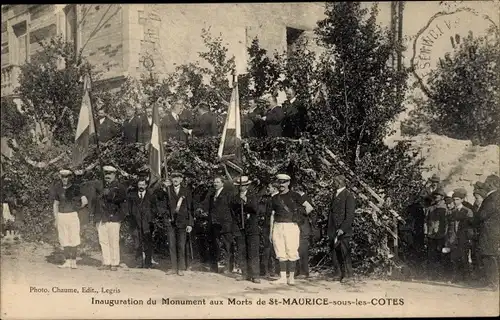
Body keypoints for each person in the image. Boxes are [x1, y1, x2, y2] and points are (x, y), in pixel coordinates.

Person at [269, 173, 304, 285]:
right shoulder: (274, 198)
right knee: (280, 251)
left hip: (291, 226)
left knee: (292, 250)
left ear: (288, 183)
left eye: (284, 182)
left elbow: (308, 209)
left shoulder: (296, 196)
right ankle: (283, 277)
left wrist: (299, 219)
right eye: (279, 182)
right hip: (278, 225)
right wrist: (271, 231)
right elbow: (272, 215)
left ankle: (291, 278)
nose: (281, 185)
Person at [91, 165, 127, 271]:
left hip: (114, 218)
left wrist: (110, 194)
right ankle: (106, 262)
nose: (107, 176)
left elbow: (122, 201)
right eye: (106, 173)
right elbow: (95, 201)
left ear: (114, 175)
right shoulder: (100, 186)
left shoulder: (120, 187)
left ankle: (115, 263)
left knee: (114, 241)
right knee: (103, 241)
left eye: (110, 174)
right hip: (102, 217)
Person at [51, 169, 88, 269]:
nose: (65, 179)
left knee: (74, 238)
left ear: (70, 177)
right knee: (64, 238)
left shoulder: (75, 188)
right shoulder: (58, 188)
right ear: (60, 177)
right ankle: (67, 261)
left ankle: (73, 261)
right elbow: (56, 204)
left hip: (72, 215)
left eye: (67, 176)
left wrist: (77, 208)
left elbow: (84, 201)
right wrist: (56, 218)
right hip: (61, 215)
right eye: (63, 176)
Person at [159, 172, 194, 276]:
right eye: (174, 177)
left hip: (183, 222)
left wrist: (190, 223)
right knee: (172, 245)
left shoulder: (186, 191)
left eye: (178, 178)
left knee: (181, 245)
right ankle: (174, 267)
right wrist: (166, 217)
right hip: (170, 222)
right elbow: (161, 203)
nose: (175, 179)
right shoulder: (167, 190)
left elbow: (190, 208)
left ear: (181, 179)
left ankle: (181, 268)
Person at [202, 176, 236, 274]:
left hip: (225, 223)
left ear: (222, 183)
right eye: (214, 182)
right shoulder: (212, 194)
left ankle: (228, 267)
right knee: (214, 245)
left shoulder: (228, 194)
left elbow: (231, 208)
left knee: (227, 245)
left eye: (217, 182)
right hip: (214, 223)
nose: (215, 184)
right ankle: (214, 267)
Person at [231, 176, 261, 283]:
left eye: (243, 185)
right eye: (239, 186)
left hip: (252, 227)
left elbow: (255, 208)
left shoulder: (253, 196)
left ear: (247, 185)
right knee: (241, 250)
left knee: (253, 251)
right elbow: (233, 210)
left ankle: (255, 275)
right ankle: (244, 273)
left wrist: (246, 201)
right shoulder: (235, 197)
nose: (241, 188)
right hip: (240, 227)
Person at [326, 175, 355, 284]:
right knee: (334, 251)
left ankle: (348, 275)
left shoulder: (348, 195)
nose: (333, 183)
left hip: (342, 229)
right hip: (333, 228)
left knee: (344, 251)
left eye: (334, 182)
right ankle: (338, 273)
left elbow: (350, 215)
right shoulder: (335, 194)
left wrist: (343, 228)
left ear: (339, 183)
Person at [474, 175, 499, 290]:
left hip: (489, 231)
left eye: (486, 183)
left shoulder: (493, 197)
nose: (485, 185)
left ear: (491, 184)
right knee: (489, 256)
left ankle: (492, 283)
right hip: (492, 231)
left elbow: (483, 214)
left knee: (489, 256)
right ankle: (491, 282)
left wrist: (477, 216)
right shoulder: (496, 196)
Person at [127, 176, 159, 268]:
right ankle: (139, 262)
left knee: (147, 242)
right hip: (135, 223)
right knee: (137, 242)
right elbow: (129, 208)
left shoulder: (151, 196)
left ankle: (148, 263)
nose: (141, 186)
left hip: (147, 223)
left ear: (146, 186)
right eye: (139, 184)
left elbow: (155, 208)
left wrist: (151, 217)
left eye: (143, 185)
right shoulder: (132, 195)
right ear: (137, 185)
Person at [444, 189, 474, 283]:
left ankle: (466, 278)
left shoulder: (467, 211)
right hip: (454, 238)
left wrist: (469, 238)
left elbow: (470, 226)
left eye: (457, 199)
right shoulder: (452, 212)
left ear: (462, 200)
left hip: (463, 238)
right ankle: (456, 277)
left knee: (464, 258)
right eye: (454, 199)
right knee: (454, 258)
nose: (455, 201)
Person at [294, 186, 317, 280]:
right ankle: (299, 271)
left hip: (304, 228)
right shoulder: (303, 198)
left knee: (302, 250)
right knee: (299, 249)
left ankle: (304, 272)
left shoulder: (304, 199)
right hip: (301, 227)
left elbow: (309, 210)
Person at [425, 188, 448, 280]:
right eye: (435, 195)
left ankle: (441, 275)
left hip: (441, 235)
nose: (436, 197)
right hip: (431, 235)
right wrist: (426, 233)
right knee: (431, 255)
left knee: (441, 255)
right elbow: (426, 221)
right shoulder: (430, 208)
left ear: (442, 197)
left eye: (438, 195)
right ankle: (432, 275)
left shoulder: (445, 208)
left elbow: (446, 223)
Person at [260, 182, 279, 279]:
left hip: (273, 226)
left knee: (272, 248)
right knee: (267, 247)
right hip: (267, 226)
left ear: (275, 188)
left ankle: (271, 270)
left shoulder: (276, 198)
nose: (267, 188)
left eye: (269, 187)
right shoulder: (269, 198)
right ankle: (267, 270)